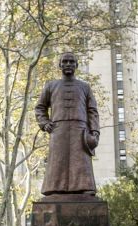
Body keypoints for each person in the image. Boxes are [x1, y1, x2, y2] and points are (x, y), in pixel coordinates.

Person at [34, 52, 100, 195]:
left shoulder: (85, 87)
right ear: (60, 65)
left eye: (71, 62)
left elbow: (92, 110)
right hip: (58, 129)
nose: (68, 64)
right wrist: (44, 123)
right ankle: (54, 188)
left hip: (80, 130)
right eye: (65, 61)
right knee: (57, 160)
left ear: (76, 65)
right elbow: (40, 107)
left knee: (81, 162)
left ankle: (85, 187)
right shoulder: (51, 85)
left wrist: (95, 132)